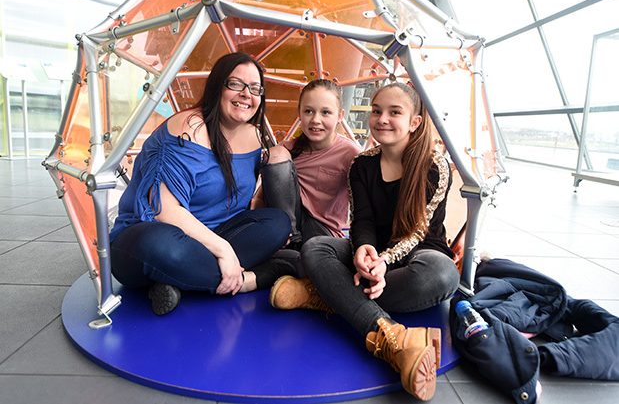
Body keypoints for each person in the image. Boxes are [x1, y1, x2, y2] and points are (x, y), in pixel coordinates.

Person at [270, 82, 461, 401]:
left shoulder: (434, 165)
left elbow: (417, 231)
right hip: (372, 256)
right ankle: (392, 339)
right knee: (317, 248)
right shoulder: (363, 164)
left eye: (394, 112)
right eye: (376, 111)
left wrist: (384, 262)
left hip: (416, 259)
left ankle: (323, 295)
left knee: (442, 274)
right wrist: (362, 249)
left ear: (414, 121)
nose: (382, 119)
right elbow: (363, 221)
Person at [109, 52, 291, 315]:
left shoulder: (253, 135)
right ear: (218, 86)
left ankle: (180, 282)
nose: (246, 94)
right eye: (235, 84)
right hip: (150, 239)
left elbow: (246, 200)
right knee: (159, 245)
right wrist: (224, 250)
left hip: (210, 237)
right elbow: (164, 211)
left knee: (277, 223)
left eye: (254, 88)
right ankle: (251, 280)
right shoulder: (190, 128)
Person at [259, 79, 360, 250]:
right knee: (275, 154)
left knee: (311, 252)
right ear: (299, 114)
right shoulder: (286, 150)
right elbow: (263, 196)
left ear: (340, 116)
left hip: (322, 230)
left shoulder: (350, 153)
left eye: (326, 112)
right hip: (286, 223)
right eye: (308, 111)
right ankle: (290, 241)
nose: (316, 120)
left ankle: (296, 256)